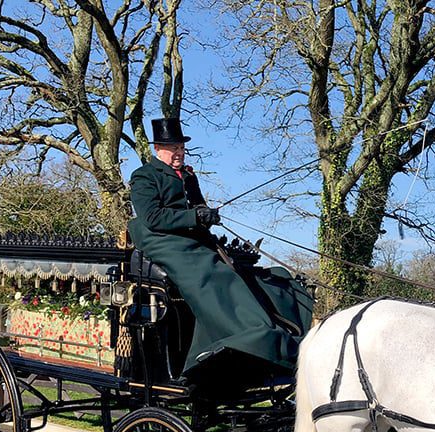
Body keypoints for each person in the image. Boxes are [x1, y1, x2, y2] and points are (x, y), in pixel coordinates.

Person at [127, 118, 310, 383]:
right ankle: (232, 340)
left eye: (181, 147)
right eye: (173, 148)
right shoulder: (144, 176)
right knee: (210, 274)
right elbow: (153, 217)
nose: (178, 153)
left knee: (241, 272)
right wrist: (195, 218)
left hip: (191, 239)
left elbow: (197, 206)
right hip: (160, 239)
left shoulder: (188, 175)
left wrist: (207, 216)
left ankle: (265, 333)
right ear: (158, 149)